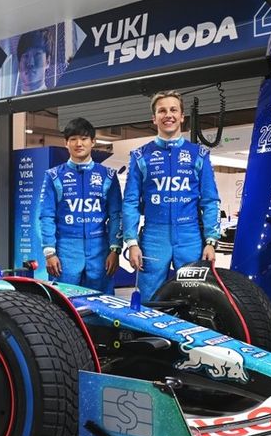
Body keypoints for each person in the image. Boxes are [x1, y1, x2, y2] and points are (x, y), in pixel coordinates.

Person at [122, 90, 220, 302]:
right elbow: (130, 203)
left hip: (190, 235)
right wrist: (131, 243)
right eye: (162, 111)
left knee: (194, 297)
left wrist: (211, 242)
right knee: (149, 298)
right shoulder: (140, 156)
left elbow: (210, 201)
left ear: (182, 116)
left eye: (173, 110)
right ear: (154, 118)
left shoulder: (199, 154)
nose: (168, 115)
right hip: (154, 236)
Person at [38, 117, 122, 293]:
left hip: (100, 249)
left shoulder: (108, 175)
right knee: (64, 300)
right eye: (73, 139)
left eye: (84, 138)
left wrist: (115, 249)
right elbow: (46, 216)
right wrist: (49, 252)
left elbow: (116, 215)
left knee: (101, 302)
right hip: (66, 248)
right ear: (66, 143)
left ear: (93, 142)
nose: (79, 143)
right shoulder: (53, 176)